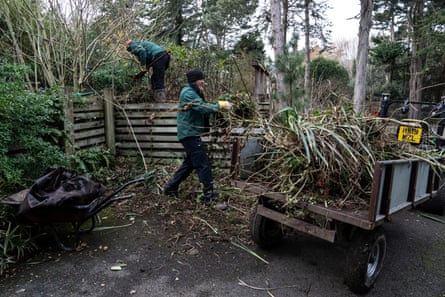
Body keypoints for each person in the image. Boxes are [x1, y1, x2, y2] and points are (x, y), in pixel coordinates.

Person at [163, 69, 232, 210]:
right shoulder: (188, 93)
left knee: (190, 164)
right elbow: (203, 108)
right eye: (201, 79)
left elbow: (202, 106)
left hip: (191, 134)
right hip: (189, 134)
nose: (203, 82)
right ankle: (210, 199)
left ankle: (170, 188)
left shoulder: (192, 92)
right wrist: (220, 105)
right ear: (195, 80)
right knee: (203, 165)